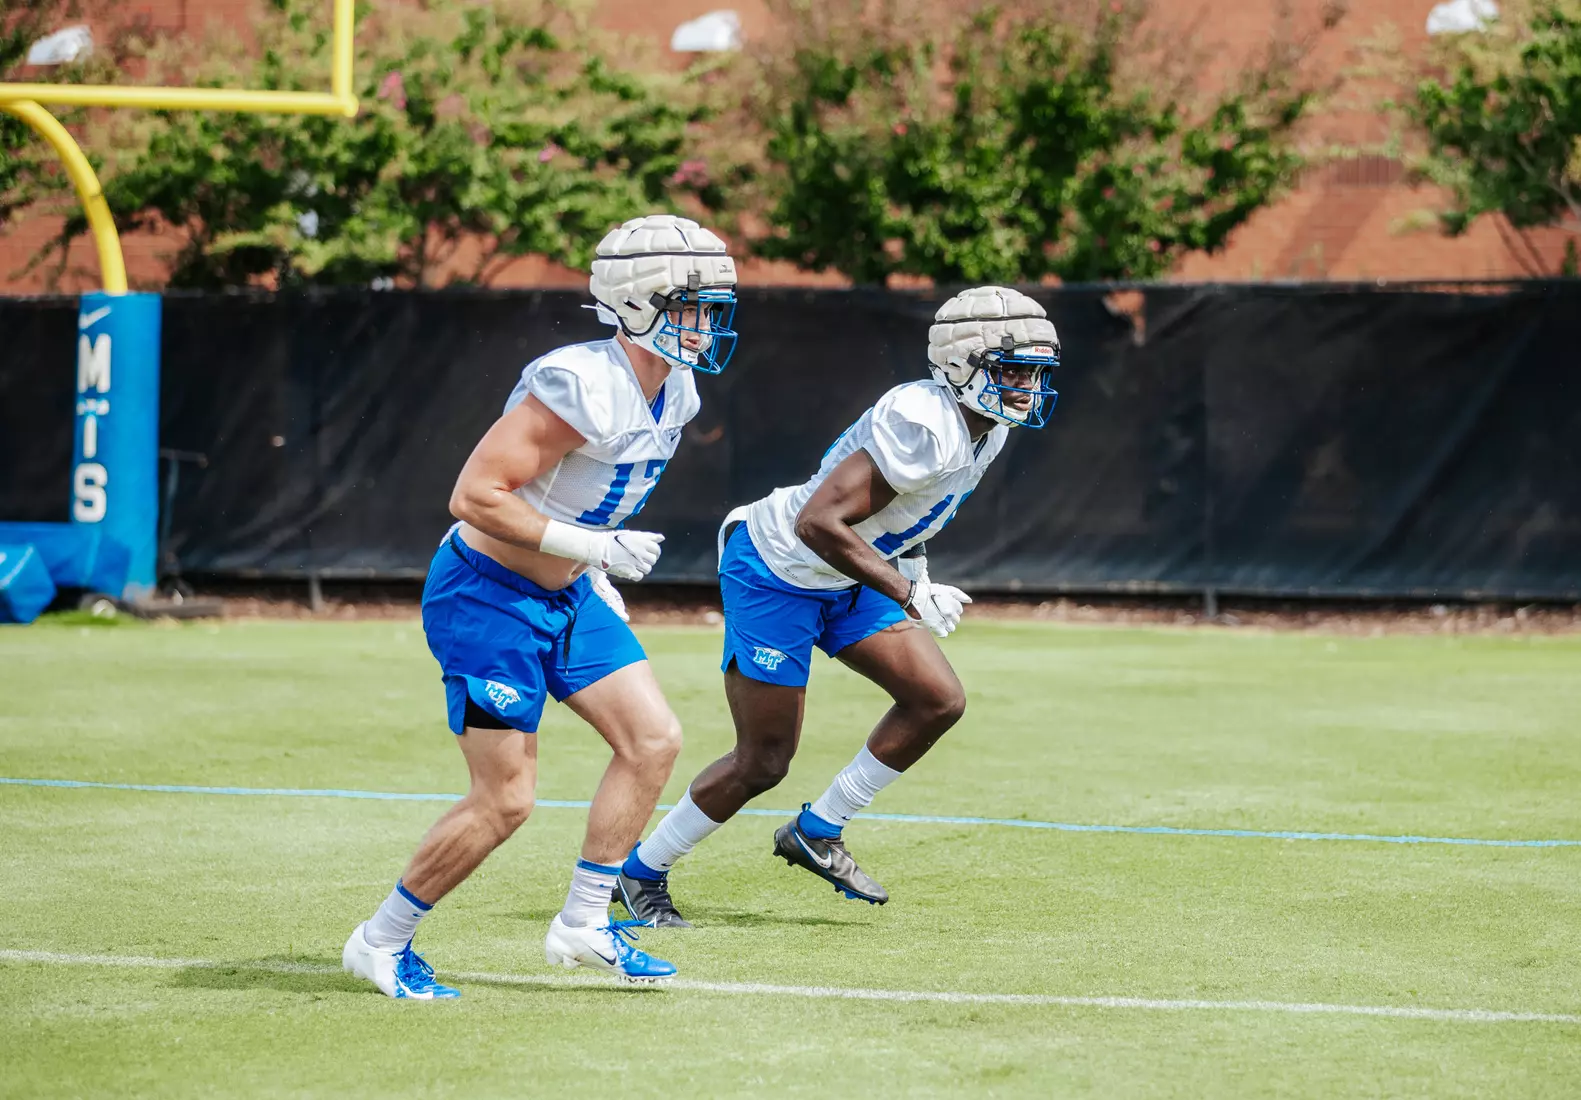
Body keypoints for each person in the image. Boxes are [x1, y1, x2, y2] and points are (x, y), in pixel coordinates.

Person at [342, 214, 738, 996]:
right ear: (637, 301)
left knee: (653, 739)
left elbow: (584, 495)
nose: (707, 325)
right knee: (507, 799)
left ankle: (583, 924)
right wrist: (594, 551)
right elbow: (473, 496)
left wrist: (590, 573)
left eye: (713, 308)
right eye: (692, 306)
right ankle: (379, 941)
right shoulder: (580, 382)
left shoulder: (676, 390)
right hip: (487, 598)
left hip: (568, 593)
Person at [614, 285, 1060, 926]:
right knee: (764, 760)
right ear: (963, 365)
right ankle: (639, 874)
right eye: (1013, 370)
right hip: (778, 568)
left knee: (938, 698)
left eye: (1036, 372)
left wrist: (919, 572)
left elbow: (915, 513)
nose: (1026, 386)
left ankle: (818, 827)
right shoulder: (924, 418)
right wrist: (909, 592)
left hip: (844, 573)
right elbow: (819, 522)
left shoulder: (986, 428)